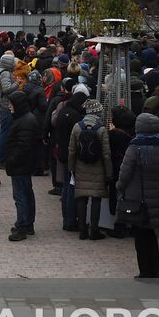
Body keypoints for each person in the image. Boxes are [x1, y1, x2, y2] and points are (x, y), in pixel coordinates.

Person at [114, 113, 159, 279]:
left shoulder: (135, 147)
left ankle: (146, 271)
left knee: (140, 236)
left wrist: (119, 187)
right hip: (156, 198)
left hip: (136, 198)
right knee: (151, 235)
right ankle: (156, 271)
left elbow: (124, 173)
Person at [69, 98, 114, 241]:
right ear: (98, 112)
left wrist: (72, 169)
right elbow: (106, 154)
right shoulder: (101, 129)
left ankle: (82, 230)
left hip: (80, 167)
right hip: (98, 168)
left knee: (81, 199)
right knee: (96, 200)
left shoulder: (77, 127)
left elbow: (72, 151)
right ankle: (94, 231)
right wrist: (109, 173)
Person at [1, 91, 40, 242]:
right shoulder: (25, 119)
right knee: (26, 194)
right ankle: (27, 224)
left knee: (21, 196)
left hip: (20, 165)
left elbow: (24, 146)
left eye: (11, 104)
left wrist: (11, 159)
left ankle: (22, 226)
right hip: (23, 164)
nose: (9, 107)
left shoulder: (25, 121)